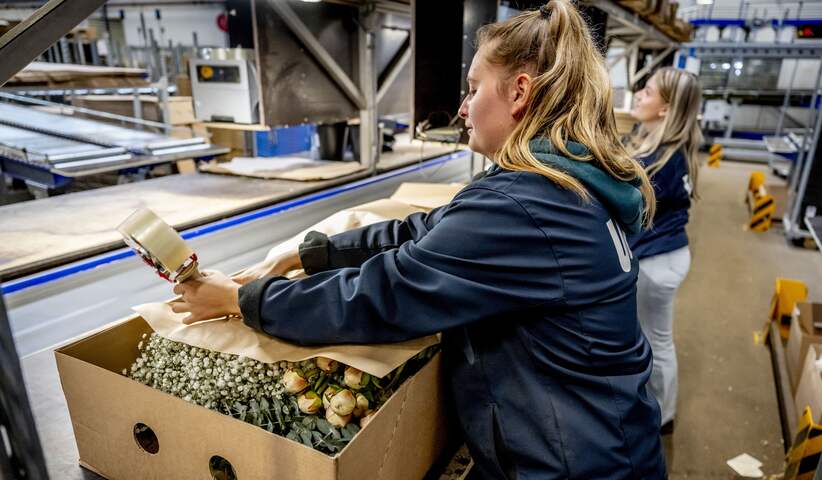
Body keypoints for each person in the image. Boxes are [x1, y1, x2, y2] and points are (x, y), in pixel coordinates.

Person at [172, 1, 666, 478]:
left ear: (519, 93)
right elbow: (424, 231)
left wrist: (240, 299)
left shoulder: (527, 206)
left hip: (577, 463)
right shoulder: (557, 183)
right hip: (597, 441)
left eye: (474, 89)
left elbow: (384, 295)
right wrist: (306, 253)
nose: (462, 106)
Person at [624, 67, 703, 432]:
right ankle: (661, 410)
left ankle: (663, 417)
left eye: (649, 91)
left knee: (655, 340)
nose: (639, 94)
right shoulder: (665, 147)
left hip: (658, 262)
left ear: (665, 108)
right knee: (656, 337)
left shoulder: (659, 159)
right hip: (667, 255)